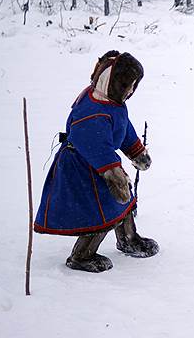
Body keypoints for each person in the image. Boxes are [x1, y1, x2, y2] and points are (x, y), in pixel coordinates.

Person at [34, 51, 159, 273]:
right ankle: (82, 255)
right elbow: (95, 146)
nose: (130, 91)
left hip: (101, 164)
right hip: (81, 168)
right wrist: (115, 175)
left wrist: (136, 151)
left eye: (133, 86)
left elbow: (123, 128)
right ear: (113, 83)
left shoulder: (112, 103)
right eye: (127, 85)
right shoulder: (91, 112)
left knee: (123, 201)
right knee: (101, 212)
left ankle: (128, 239)